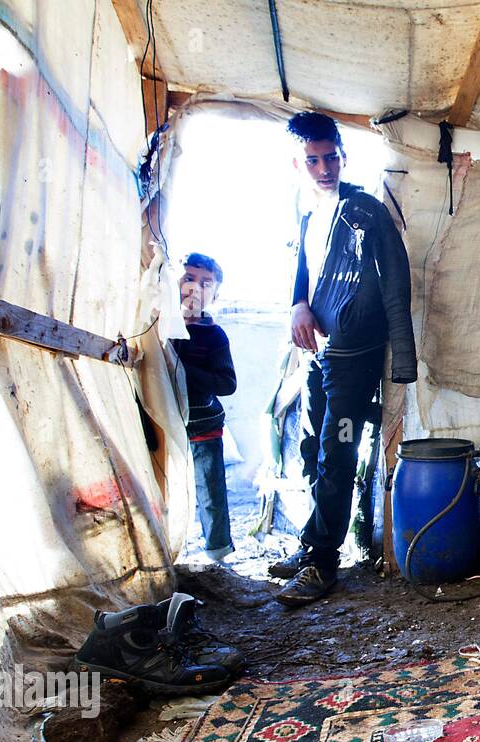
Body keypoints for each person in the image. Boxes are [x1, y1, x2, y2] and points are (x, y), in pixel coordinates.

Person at [272, 111, 418, 606]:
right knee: (317, 448)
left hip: (355, 357)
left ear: (342, 155)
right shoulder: (308, 211)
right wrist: (298, 304)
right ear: (298, 163)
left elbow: (397, 280)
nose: (323, 168)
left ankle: (323, 564)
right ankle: (314, 542)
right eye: (312, 160)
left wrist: (404, 360)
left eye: (330, 157)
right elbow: (303, 266)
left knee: (338, 449)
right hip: (319, 354)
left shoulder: (363, 210)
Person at [174, 252, 237, 562]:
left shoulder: (213, 336)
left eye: (205, 283)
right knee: (166, 488)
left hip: (203, 424)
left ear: (216, 293)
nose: (195, 288)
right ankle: (168, 551)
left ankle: (217, 553)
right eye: (188, 278)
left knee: (210, 492)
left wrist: (183, 370)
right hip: (162, 423)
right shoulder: (157, 328)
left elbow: (227, 384)